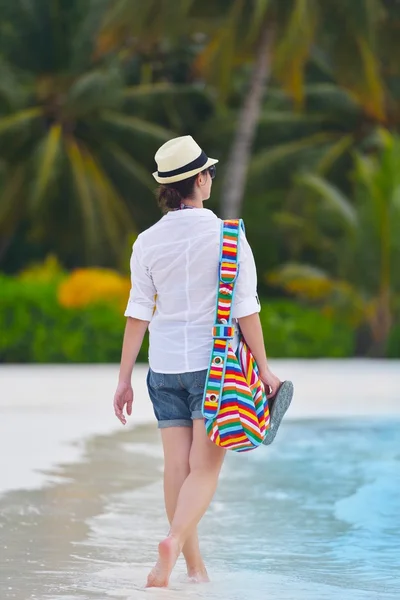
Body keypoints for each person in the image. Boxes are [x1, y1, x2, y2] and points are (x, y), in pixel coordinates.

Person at [113, 135, 282, 588]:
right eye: (208, 171)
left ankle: (192, 567)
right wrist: (263, 369)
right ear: (200, 179)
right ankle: (171, 542)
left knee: (176, 469)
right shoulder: (229, 235)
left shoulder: (146, 242)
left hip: (164, 367)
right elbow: (246, 308)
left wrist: (124, 379)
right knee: (205, 469)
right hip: (215, 369)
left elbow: (137, 312)